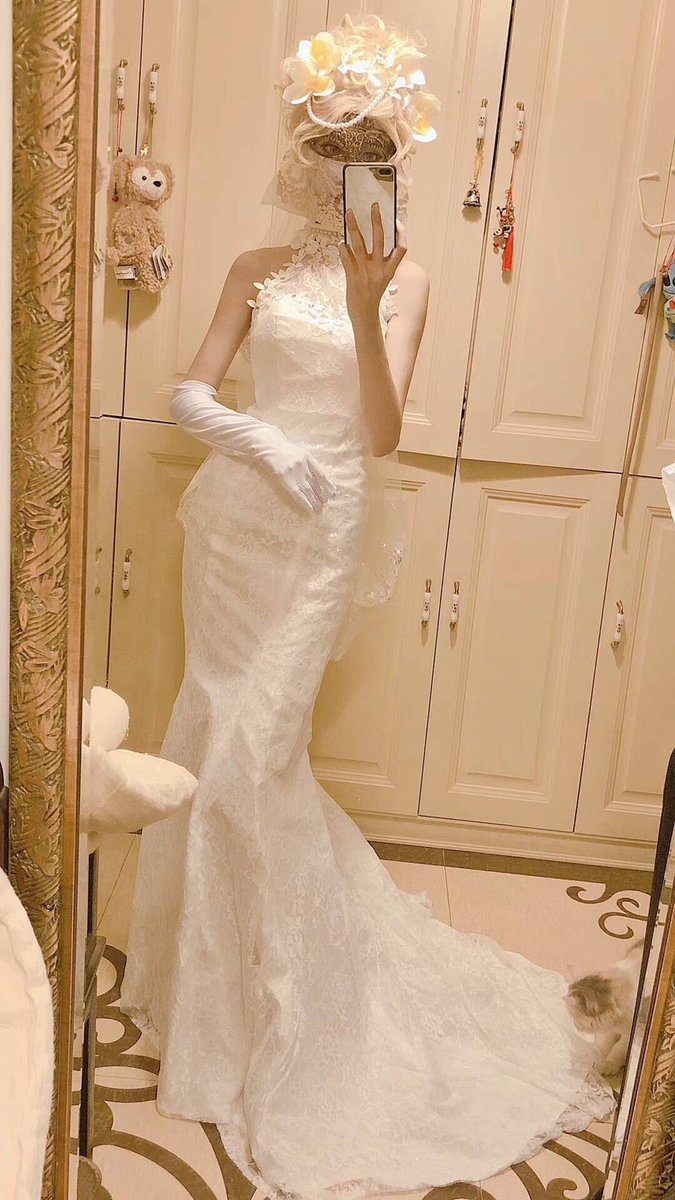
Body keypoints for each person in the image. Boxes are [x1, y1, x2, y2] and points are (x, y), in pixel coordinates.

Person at [120, 15, 614, 1199]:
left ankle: (300, 1003)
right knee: (213, 738)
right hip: (238, 522)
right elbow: (189, 391)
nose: (345, 170)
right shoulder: (250, 266)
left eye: (369, 153)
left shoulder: (409, 277)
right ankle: (207, 996)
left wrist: (360, 304)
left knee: (256, 753)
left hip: (325, 523)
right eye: (330, 149)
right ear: (303, 156)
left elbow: (385, 432)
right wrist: (257, 440)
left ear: (392, 165)